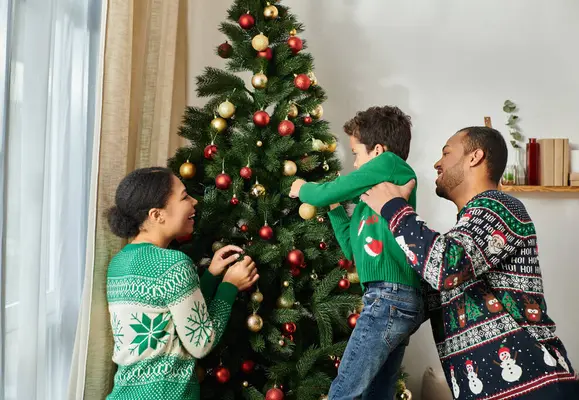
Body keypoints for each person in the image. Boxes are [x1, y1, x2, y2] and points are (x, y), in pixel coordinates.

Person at [360, 127, 579, 399]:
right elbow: (417, 292)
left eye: (446, 152)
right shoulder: (464, 236)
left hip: (534, 388)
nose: (437, 163)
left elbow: (446, 265)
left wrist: (394, 208)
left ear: (475, 157)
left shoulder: (500, 207)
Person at [289, 106, 425, 399]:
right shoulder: (369, 203)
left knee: (344, 391)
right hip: (388, 297)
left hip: (390, 297)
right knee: (377, 394)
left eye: (356, 154)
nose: (355, 165)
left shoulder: (391, 164)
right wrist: (335, 208)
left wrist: (303, 189)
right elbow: (352, 249)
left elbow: (328, 190)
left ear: (377, 151)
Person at [105, 167, 259, 400]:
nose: (194, 202)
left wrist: (211, 276)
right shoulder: (172, 263)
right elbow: (200, 341)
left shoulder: (119, 262)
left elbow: (173, 319)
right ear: (157, 215)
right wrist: (230, 286)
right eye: (185, 196)